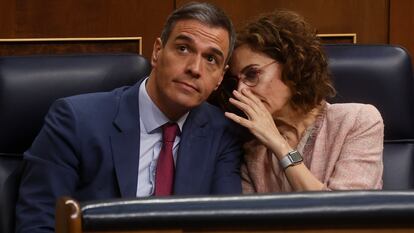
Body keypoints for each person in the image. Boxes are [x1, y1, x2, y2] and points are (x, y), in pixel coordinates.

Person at [16, 2, 242, 232]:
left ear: (220, 78)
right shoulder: (75, 120)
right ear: (157, 52)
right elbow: (38, 223)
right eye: (183, 48)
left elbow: (225, 226)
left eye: (211, 59)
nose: (195, 68)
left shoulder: (221, 132)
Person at [222, 10, 383, 193]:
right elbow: (251, 219)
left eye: (252, 74)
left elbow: (346, 213)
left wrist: (279, 145)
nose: (241, 90)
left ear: (292, 64)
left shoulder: (357, 121)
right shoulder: (253, 149)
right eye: (235, 81)